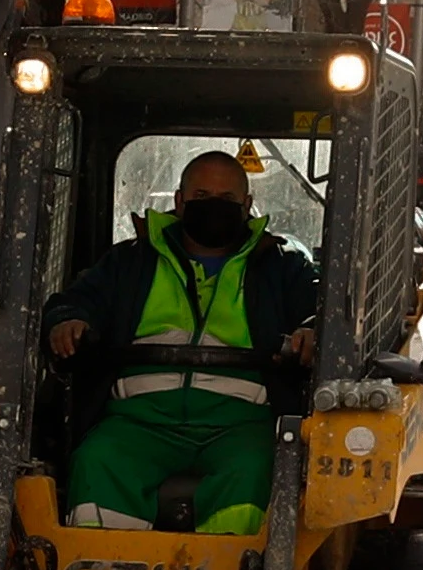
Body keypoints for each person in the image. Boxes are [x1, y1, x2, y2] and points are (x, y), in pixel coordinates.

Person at [41, 149, 320, 535]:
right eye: (202, 198)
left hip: (240, 424)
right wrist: (67, 320)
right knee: (98, 460)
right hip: (139, 420)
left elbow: (320, 311)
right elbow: (76, 301)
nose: (213, 208)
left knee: (257, 468)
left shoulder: (283, 269)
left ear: (247, 206)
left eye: (226, 200)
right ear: (179, 201)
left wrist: (312, 329)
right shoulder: (129, 263)